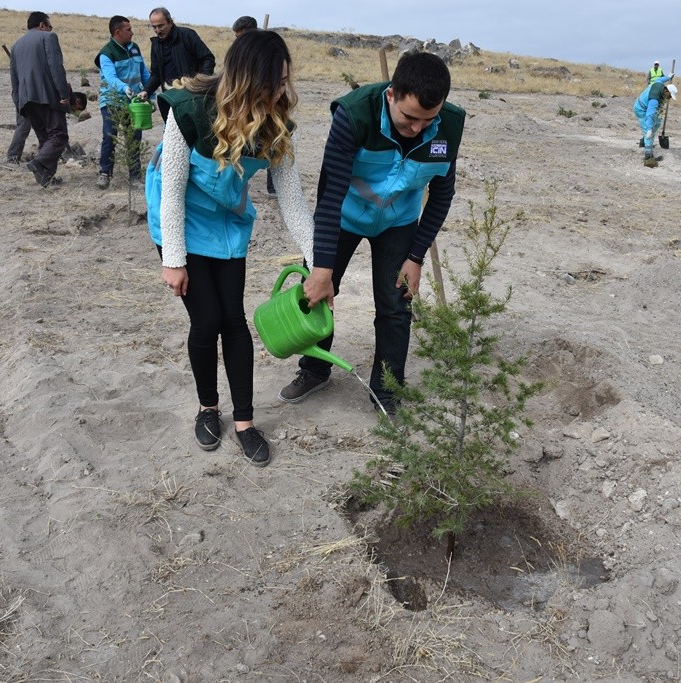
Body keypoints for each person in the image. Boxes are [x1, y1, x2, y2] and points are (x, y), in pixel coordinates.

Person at [146, 30, 314, 466]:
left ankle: (244, 422)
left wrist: (318, 262)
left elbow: (292, 200)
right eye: (269, 82)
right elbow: (173, 191)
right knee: (207, 322)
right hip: (180, 223)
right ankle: (207, 409)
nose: (278, 91)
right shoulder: (189, 111)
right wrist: (174, 259)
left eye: (282, 81)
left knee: (234, 321)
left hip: (227, 227)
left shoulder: (276, 126)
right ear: (243, 77)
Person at [278, 51, 466, 414]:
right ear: (391, 94)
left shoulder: (449, 126)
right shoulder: (354, 114)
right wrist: (322, 268)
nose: (418, 129)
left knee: (396, 304)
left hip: (398, 221)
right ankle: (315, 369)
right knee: (316, 292)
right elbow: (330, 195)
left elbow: (442, 194)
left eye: (429, 120)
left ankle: (387, 388)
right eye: (409, 118)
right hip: (344, 216)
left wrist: (416, 257)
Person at [10, 11, 70, 187]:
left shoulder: (16, 45)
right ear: (42, 25)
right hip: (46, 95)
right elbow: (56, 66)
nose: (51, 29)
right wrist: (63, 94)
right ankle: (38, 163)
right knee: (59, 136)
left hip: (25, 100)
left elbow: (14, 77)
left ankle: (46, 178)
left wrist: (18, 101)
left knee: (45, 138)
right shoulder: (48, 37)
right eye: (50, 26)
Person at [95, 15, 150, 190]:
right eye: (129, 30)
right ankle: (105, 173)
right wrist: (124, 87)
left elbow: (144, 73)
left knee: (134, 137)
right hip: (112, 100)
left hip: (134, 101)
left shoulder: (135, 48)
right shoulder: (106, 53)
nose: (132, 33)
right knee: (110, 136)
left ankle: (135, 176)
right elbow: (110, 78)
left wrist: (150, 92)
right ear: (117, 32)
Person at [230, 16, 276, 195]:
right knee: (243, 141)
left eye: (239, 36)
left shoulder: (269, 50)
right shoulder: (240, 51)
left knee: (271, 141)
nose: (237, 41)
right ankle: (239, 181)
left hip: (266, 104)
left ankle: (273, 188)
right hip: (245, 104)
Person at [142, 7, 215, 122]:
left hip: (191, 96)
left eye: (161, 26)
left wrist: (200, 83)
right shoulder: (156, 45)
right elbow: (156, 74)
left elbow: (207, 59)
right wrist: (146, 90)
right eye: (154, 27)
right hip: (170, 98)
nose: (157, 30)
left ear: (170, 22)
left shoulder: (187, 35)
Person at [8, 88, 87, 164]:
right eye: (77, 108)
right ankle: (13, 157)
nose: (73, 111)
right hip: (29, 97)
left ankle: (41, 156)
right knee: (24, 126)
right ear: (78, 102)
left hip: (24, 93)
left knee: (38, 127)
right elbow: (58, 127)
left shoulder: (64, 91)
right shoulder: (64, 95)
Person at [633, 73, 676, 167]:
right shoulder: (654, 100)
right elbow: (650, 114)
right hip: (641, 110)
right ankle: (648, 157)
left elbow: (659, 80)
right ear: (666, 91)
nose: (669, 98)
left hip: (646, 108)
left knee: (657, 123)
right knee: (649, 132)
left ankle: (648, 144)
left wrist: (668, 77)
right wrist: (649, 129)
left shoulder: (659, 85)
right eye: (669, 96)